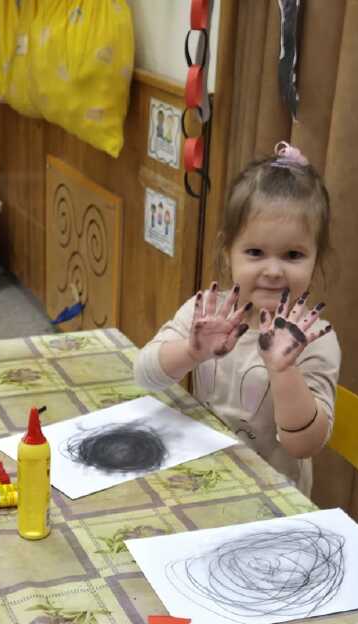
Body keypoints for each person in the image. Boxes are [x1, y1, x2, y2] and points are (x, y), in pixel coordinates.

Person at [133, 141, 339, 493]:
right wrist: (192, 352)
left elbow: (304, 446)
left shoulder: (315, 339)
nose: (273, 270)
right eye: (255, 252)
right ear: (228, 252)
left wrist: (284, 370)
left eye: (293, 255)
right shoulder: (208, 313)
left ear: (316, 260)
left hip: (269, 497)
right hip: (201, 475)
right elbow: (144, 376)